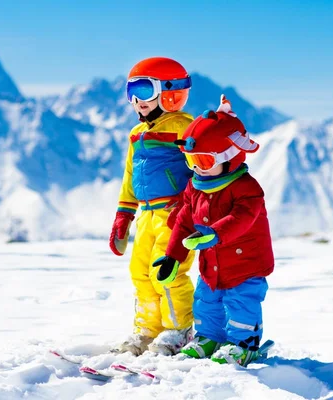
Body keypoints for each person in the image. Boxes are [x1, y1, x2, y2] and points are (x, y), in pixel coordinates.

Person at [152, 95, 275, 366]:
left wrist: (215, 233)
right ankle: (209, 337)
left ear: (230, 157)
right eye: (190, 160)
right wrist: (172, 256)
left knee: (240, 303)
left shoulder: (246, 188)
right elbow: (184, 218)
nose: (196, 168)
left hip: (245, 265)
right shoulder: (196, 186)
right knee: (206, 301)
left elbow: (243, 217)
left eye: (204, 161)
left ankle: (243, 343)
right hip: (212, 264)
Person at [109, 57, 196, 355]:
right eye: (131, 91)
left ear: (170, 91)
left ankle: (178, 329)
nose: (137, 100)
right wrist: (124, 214)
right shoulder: (137, 134)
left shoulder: (185, 129)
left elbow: (201, 170)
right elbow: (130, 175)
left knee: (167, 272)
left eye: (144, 90)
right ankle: (148, 329)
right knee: (140, 273)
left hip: (174, 215)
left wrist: (192, 208)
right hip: (146, 214)